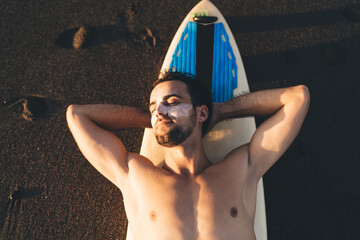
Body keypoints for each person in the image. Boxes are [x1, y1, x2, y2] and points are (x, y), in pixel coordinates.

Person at [66, 71, 310, 239]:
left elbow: (297, 98)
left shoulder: (241, 169)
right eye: (154, 108)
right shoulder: (134, 174)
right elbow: (77, 116)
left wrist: (221, 111)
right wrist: (157, 119)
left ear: (202, 113)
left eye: (171, 102)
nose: (159, 111)